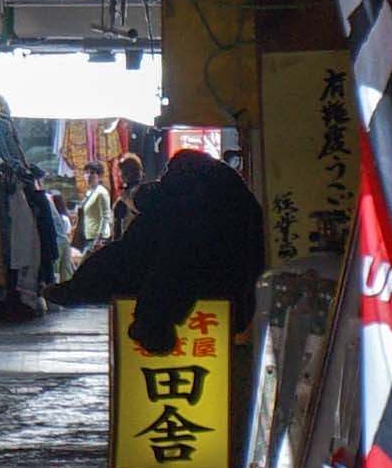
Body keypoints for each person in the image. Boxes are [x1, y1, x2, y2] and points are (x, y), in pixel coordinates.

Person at [55, 134, 269, 355]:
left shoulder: (194, 207)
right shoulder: (224, 195)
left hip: (215, 288)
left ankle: (143, 318)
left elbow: (158, 218)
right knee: (143, 246)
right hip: (236, 296)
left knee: (159, 252)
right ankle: (87, 288)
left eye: (169, 171)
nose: (165, 176)